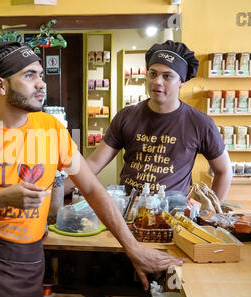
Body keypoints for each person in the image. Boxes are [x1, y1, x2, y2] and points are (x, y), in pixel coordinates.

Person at [0, 42, 184, 297]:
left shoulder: (51, 129)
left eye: (41, 75)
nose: (41, 84)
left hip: (32, 258)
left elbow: (91, 188)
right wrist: (1, 200)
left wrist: (133, 249)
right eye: (29, 75)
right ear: (0, 86)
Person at [65, 40, 232, 199]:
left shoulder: (200, 123)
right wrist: (55, 191)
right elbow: (94, 163)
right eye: (153, 74)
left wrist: (210, 214)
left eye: (167, 76)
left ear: (181, 81)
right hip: (129, 212)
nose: (157, 81)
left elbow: (224, 171)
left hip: (174, 217)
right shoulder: (126, 116)